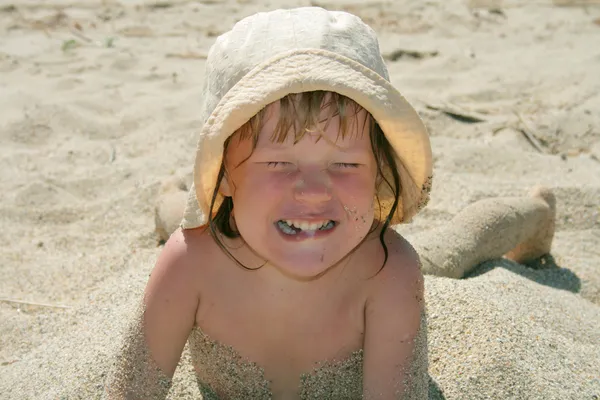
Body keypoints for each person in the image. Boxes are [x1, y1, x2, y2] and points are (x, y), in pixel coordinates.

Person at [106, 7, 556, 400]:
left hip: (357, 246)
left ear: (379, 170)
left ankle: (536, 213)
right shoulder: (189, 264)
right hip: (222, 227)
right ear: (221, 173)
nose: (314, 190)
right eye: (279, 161)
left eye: (344, 164)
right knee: (184, 223)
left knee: (456, 247)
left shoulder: (388, 270)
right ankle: (170, 197)